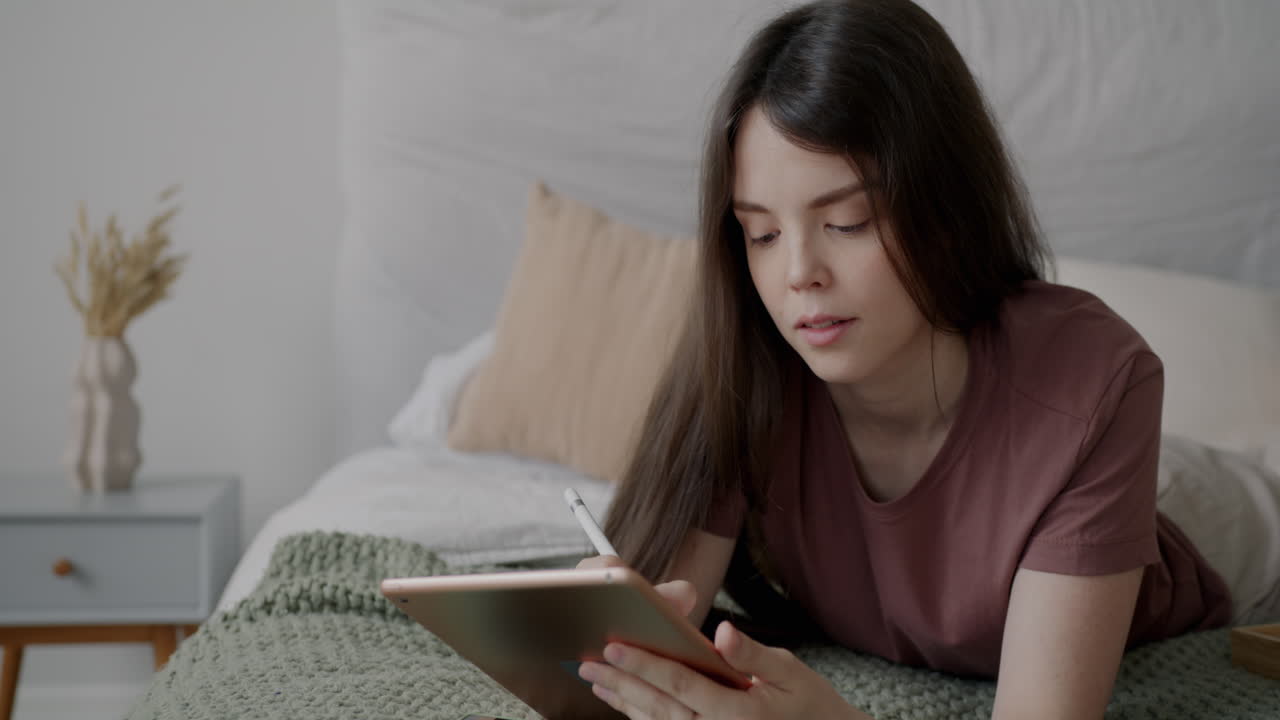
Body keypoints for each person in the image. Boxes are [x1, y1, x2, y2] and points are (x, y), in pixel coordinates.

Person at [573, 1, 1247, 718]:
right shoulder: (748, 361)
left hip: (1201, 514)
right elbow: (630, 658)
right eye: (761, 234)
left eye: (846, 222)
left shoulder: (1094, 384)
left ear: (947, 211)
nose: (799, 273)